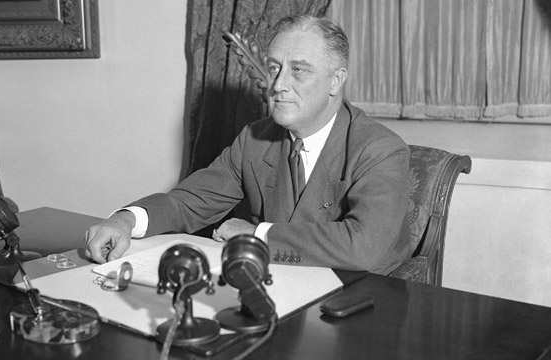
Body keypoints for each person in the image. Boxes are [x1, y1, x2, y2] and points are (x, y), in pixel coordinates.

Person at [85, 14, 412, 275]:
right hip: (278, 285)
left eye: (298, 70)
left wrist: (257, 236)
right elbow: (192, 200)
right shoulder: (255, 138)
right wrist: (126, 219)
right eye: (274, 68)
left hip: (363, 299)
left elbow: (364, 247)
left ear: (336, 81)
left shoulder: (380, 149)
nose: (278, 85)